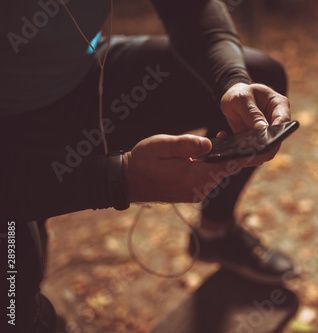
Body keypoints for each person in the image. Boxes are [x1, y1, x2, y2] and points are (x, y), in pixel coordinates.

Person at [0, 0, 294, 332]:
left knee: (260, 74)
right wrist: (118, 178)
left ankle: (216, 233)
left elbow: (190, 9)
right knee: (13, 298)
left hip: (84, 80)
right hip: (7, 129)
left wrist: (232, 80)